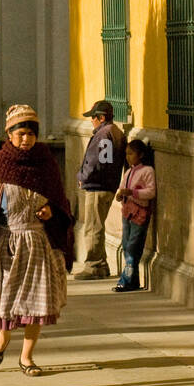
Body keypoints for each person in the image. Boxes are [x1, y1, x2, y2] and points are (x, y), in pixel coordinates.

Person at [0, 104, 74, 376]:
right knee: (7, 300)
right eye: (21, 133)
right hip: (7, 243)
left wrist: (51, 212)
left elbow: (61, 203)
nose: (26, 139)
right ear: (9, 134)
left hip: (38, 244)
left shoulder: (46, 163)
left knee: (38, 302)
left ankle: (27, 358)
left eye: (31, 133)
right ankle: (3, 338)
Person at [75, 99, 126, 280]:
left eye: (94, 118)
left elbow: (96, 162)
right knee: (97, 225)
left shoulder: (103, 135)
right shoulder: (116, 133)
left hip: (98, 186)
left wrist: (83, 177)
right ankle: (102, 264)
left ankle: (94, 266)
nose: (92, 121)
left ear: (101, 117)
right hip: (108, 185)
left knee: (92, 227)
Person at [113, 138, 156, 292]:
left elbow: (151, 192)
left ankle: (126, 280)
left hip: (140, 213)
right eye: (126, 154)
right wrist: (121, 194)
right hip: (127, 211)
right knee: (126, 245)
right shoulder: (129, 171)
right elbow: (122, 187)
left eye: (131, 154)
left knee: (132, 247)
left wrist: (133, 192)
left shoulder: (147, 171)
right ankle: (133, 280)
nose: (128, 157)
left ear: (141, 155)